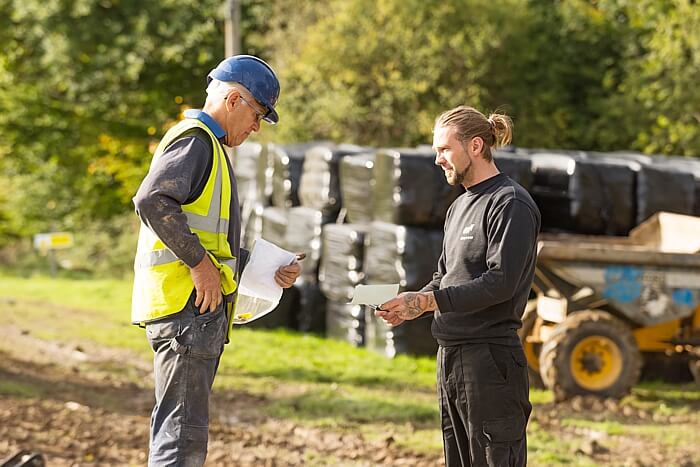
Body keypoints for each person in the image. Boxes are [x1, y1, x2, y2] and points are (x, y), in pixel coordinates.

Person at [131, 55, 301, 466]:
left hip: (191, 312)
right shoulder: (197, 141)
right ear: (235, 99)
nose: (257, 127)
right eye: (258, 114)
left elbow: (210, 240)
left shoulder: (208, 148)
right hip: (186, 310)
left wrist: (259, 269)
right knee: (181, 437)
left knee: (180, 430)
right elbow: (152, 200)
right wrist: (200, 266)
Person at [376, 106, 540, 467]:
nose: (438, 160)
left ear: (476, 146)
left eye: (444, 149)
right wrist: (411, 302)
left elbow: (501, 283)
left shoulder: (509, 204)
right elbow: (445, 276)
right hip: (450, 356)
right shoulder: (458, 207)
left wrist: (429, 301)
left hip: (491, 361)